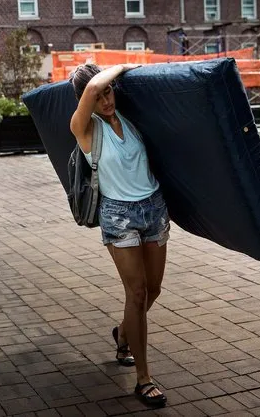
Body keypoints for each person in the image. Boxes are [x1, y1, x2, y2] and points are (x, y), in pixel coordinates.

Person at [69, 63, 170, 409]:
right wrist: (123, 65)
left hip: (154, 208)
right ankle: (143, 379)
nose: (106, 100)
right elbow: (91, 87)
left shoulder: (130, 119)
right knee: (137, 292)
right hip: (119, 216)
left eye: (110, 92)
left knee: (153, 289)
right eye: (99, 96)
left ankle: (124, 332)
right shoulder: (84, 128)